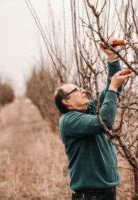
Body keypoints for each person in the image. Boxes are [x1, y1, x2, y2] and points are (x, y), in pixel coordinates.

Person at [54, 44, 131, 200]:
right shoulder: (69, 121)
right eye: (76, 90)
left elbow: (113, 90)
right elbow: (105, 121)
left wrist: (112, 58)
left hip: (105, 192)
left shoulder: (87, 109)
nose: (83, 90)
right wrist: (113, 88)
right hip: (91, 196)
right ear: (66, 101)